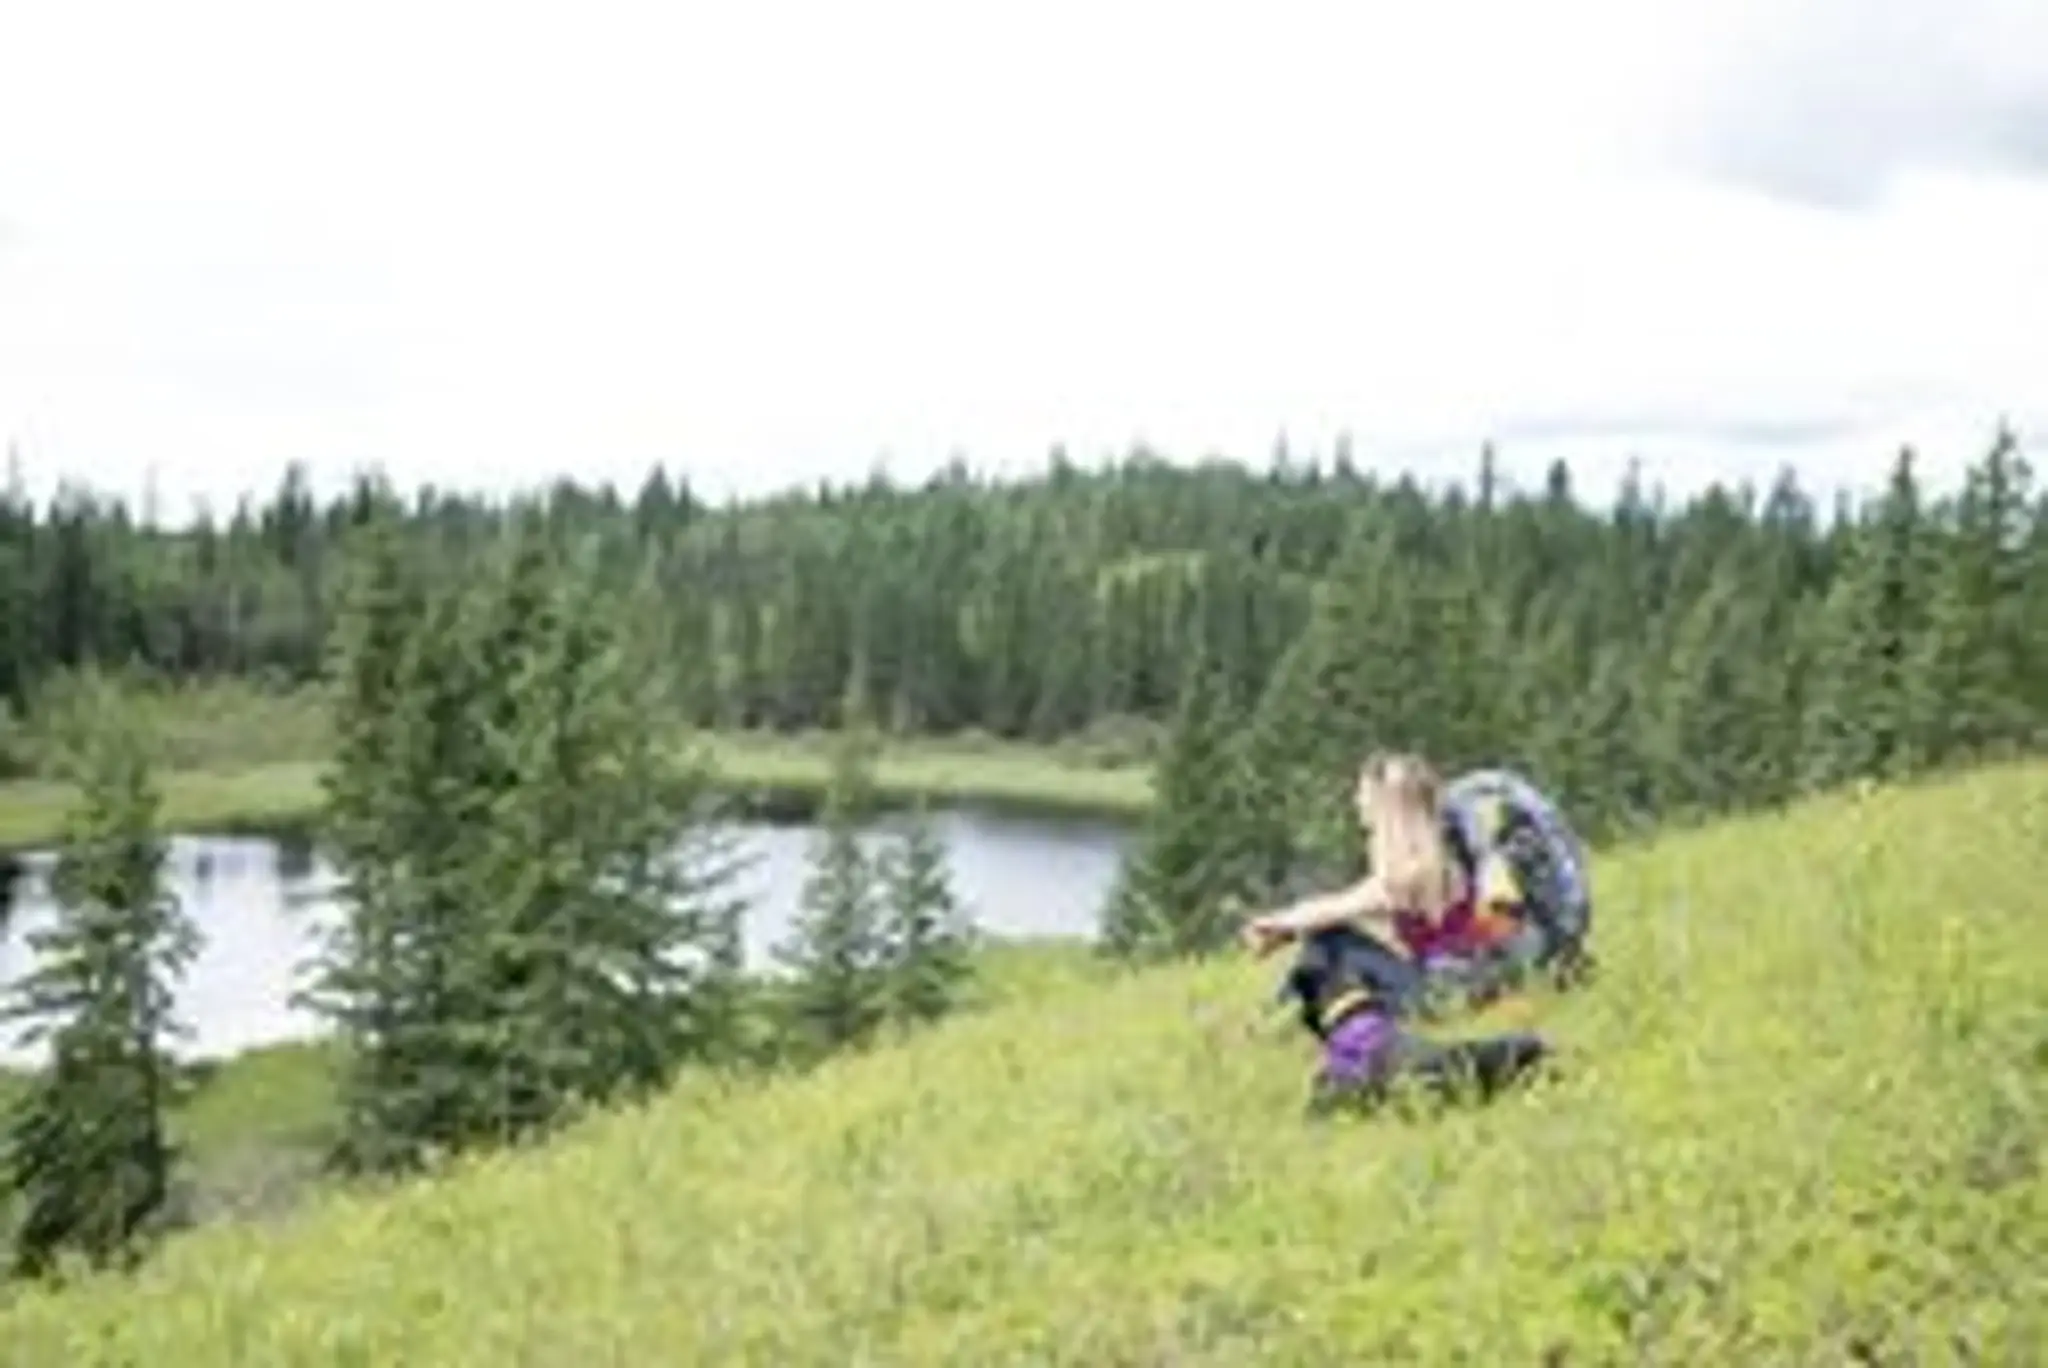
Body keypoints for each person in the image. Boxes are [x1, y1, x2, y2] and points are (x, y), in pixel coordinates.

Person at [1243, 751, 1588, 1107]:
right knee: (1333, 944)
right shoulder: (1441, 861)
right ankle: (1294, 1028)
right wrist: (1289, 929)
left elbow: (1336, 907)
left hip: (1442, 993)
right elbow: (1357, 918)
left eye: (1363, 794)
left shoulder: (1407, 876)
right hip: (1462, 982)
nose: (1356, 802)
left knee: (1326, 945)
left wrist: (1278, 924)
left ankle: (1283, 1029)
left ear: (1386, 805)